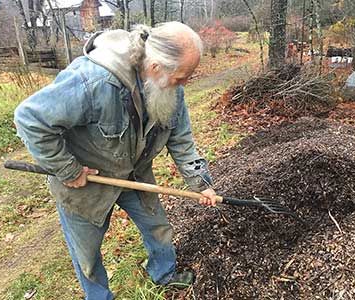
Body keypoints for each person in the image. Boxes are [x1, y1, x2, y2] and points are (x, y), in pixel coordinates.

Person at [14, 21, 217, 300]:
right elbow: (30, 118)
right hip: (87, 182)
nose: (184, 84)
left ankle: (165, 274)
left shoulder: (171, 90)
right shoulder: (93, 80)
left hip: (134, 174)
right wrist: (67, 169)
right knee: (87, 254)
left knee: (158, 228)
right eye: (182, 77)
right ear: (156, 67)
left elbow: (181, 140)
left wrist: (200, 183)